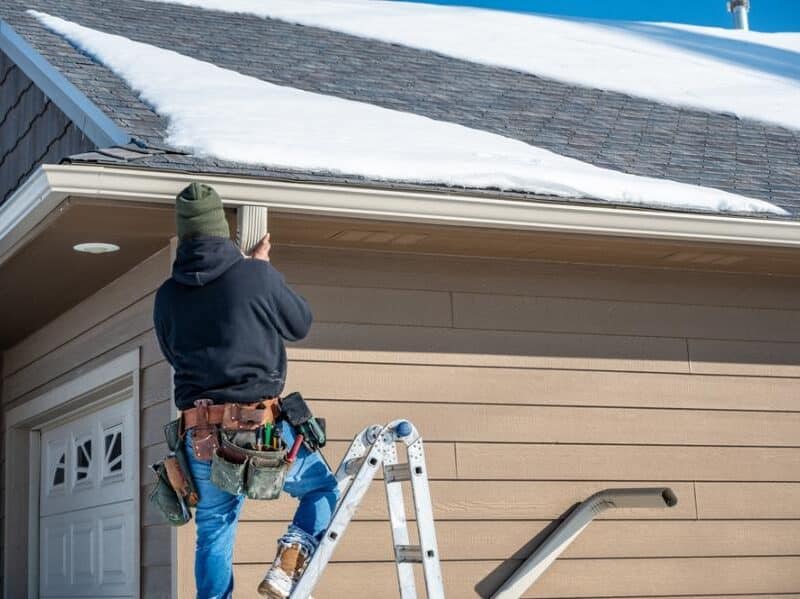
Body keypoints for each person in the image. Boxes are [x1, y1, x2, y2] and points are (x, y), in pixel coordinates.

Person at [153, 182, 339, 599]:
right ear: (223, 231)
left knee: (214, 532)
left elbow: (171, 352)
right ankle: (289, 562)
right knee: (323, 489)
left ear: (185, 237)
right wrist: (262, 272)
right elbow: (300, 323)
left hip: (199, 433)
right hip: (260, 428)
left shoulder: (167, 296)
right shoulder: (255, 275)